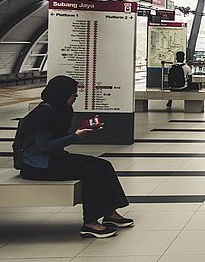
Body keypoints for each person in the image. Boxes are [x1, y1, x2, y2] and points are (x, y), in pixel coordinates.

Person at [18, 76, 132, 238]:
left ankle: (110, 212)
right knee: (90, 171)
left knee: (103, 164)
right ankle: (90, 223)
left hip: (53, 159)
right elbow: (44, 146)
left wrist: (82, 130)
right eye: (73, 93)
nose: (76, 96)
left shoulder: (60, 110)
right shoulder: (43, 114)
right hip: (37, 167)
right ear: (62, 94)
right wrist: (76, 136)